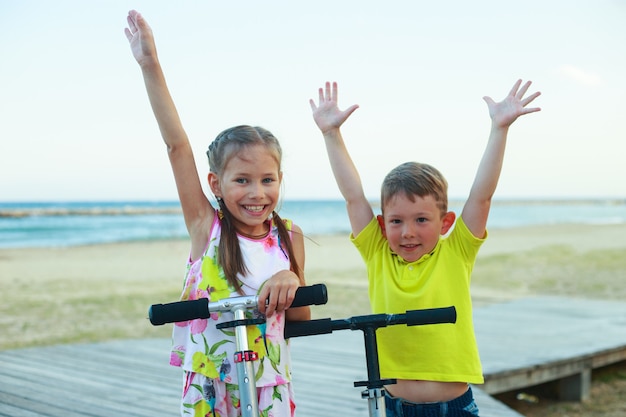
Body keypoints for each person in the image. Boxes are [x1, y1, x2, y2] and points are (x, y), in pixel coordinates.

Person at [310, 80, 541, 416]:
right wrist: (331, 134)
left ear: (445, 222)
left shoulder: (456, 251)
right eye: (396, 221)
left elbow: (481, 195)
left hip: (453, 408)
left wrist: (499, 129)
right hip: (394, 407)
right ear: (381, 224)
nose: (407, 233)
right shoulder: (378, 254)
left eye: (421, 220)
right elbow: (353, 196)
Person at [124, 10, 310, 417]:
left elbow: (300, 316)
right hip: (211, 380)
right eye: (242, 180)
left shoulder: (288, 236)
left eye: (267, 180)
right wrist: (150, 64)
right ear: (215, 184)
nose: (257, 193)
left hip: (268, 380)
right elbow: (177, 147)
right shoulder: (205, 226)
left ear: (280, 178)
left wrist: (290, 276)